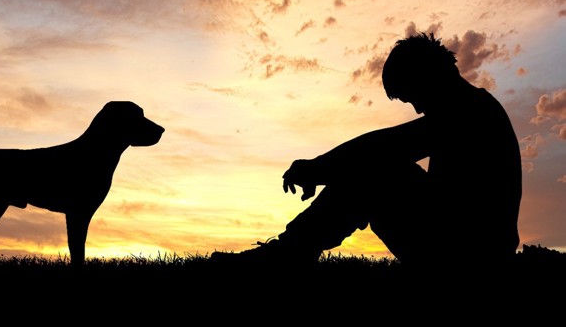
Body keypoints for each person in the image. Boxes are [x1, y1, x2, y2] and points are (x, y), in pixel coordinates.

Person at [210, 32, 522, 270]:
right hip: (461, 243)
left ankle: (289, 253)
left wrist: (316, 168)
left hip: (473, 258)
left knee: (376, 170)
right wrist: (323, 169)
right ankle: (291, 250)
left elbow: (385, 147)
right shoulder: (471, 108)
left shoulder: (470, 112)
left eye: (411, 95)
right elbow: (386, 148)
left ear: (428, 76)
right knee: (376, 166)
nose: (415, 107)